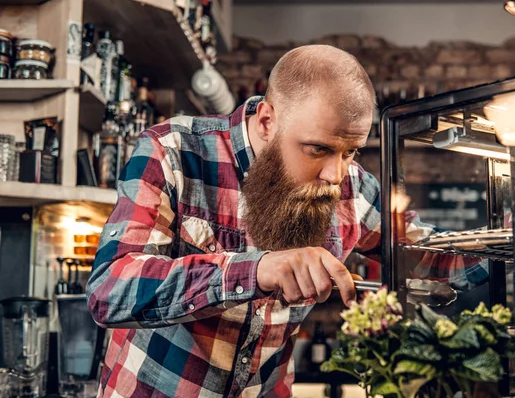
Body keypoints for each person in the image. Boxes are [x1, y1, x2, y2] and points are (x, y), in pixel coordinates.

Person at [87, 45, 486, 398]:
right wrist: (256, 269)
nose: (335, 174)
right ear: (266, 121)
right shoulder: (173, 152)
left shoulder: (355, 190)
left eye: (350, 152)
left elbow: (425, 255)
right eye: (318, 148)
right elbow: (110, 289)